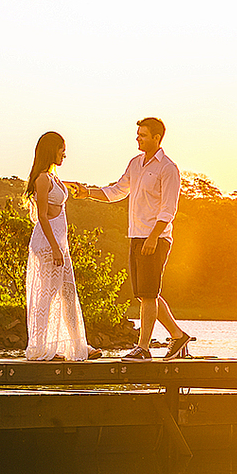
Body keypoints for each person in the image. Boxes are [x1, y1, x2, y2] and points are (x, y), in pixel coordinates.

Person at [72, 117, 191, 360]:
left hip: (155, 238)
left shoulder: (168, 168)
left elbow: (169, 209)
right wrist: (88, 193)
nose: (138, 138)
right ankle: (178, 336)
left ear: (157, 138)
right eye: (138, 134)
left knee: (148, 294)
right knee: (146, 294)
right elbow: (116, 191)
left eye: (143, 135)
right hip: (136, 235)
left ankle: (143, 348)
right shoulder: (135, 164)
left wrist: (153, 238)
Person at [24, 131, 100, 361]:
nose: (65, 154)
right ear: (51, 149)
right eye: (61, 149)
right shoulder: (42, 179)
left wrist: (73, 186)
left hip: (58, 243)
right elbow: (43, 216)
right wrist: (56, 248)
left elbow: (58, 193)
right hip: (48, 244)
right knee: (46, 296)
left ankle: (79, 346)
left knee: (67, 294)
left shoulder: (52, 177)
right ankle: (39, 347)